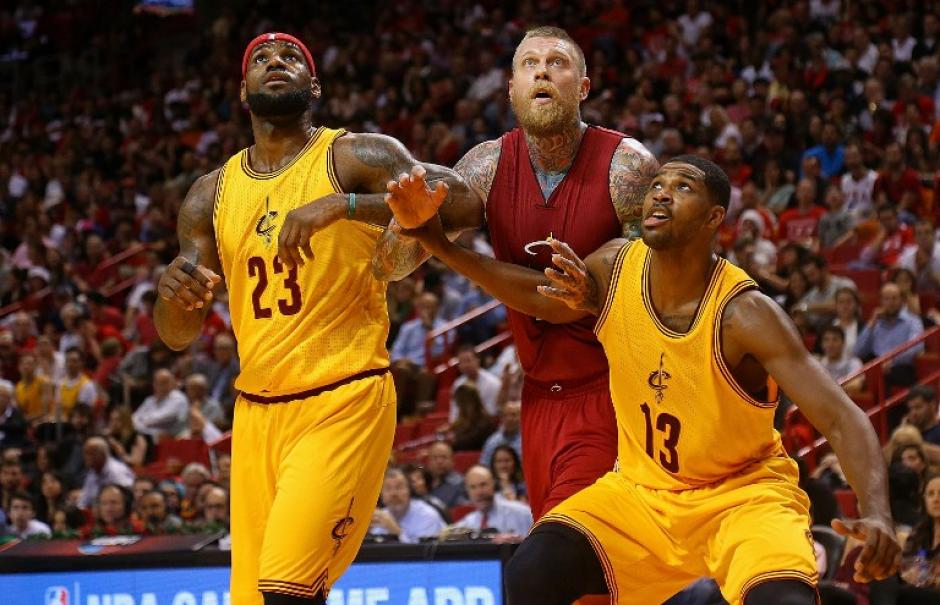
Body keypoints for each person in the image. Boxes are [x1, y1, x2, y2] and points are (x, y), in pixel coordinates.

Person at [152, 32, 475, 605]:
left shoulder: (356, 156)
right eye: (261, 59)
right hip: (256, 416)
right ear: (243, 93)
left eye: (291, 57)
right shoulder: (209, 194)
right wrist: (173, 294)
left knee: (287, 590)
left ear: (315, 86)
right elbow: (176, 336)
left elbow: (463, 200)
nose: (276, 62)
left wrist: (344, 205)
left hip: (343, 396)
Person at [497, 156, 900, 604]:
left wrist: (878, 513)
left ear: (714, 218)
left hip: (743, 495)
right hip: (642, 494)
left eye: (683, 186)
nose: (662, 192)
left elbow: (841, 417)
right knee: (532, 571)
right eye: (657, 184)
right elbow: (539, 294)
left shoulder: (746, 314)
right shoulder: (614, 268)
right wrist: (442, 245)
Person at [374, 25, 658, 521]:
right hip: (536, 400)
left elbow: (631, 296)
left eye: (557, 62)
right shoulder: (484, 166)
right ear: (511, 89)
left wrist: (436, 241)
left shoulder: (628, 169)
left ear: (584, 87)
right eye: (529, 64)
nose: (542, 71)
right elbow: (394, 267)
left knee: (565, 560)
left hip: (614, 393)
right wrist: (407, 221)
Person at [369, 467, 446, 544]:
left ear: (410, 491)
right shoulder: (379, 517)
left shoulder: (427, 515)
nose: (393, 494)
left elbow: (422, 553)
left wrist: (397, 532)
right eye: (388, 489)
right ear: (381, 495)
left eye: (399, 487)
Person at [455, 465, 533, 538]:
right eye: (473, 487)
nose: (479, 492)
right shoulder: (467, 523)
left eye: (483, 485)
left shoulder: (522, 514)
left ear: (493, 484)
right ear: (467, 491)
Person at [480, 400, 523, 467]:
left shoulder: (530, 441)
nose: (509, 419)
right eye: (505, 415)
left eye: (513, 415)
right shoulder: (492, 441)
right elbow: (484, 466)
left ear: (522, 417)